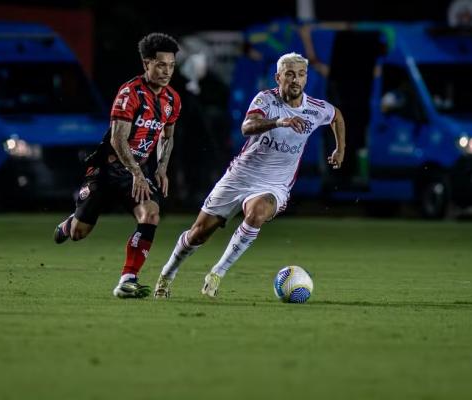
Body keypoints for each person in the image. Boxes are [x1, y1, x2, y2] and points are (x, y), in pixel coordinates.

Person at [153, 52, 345, 299]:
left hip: (275, 184)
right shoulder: (266, 100)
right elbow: (247, 127)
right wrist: (279, 121)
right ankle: (167, 275)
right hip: (240, 177)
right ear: (278, 77)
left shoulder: (315, 109)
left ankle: (217, 274)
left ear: (306, 78)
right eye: (289, 74)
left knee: (257, 213)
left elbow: (336, 116)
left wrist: (340, 148)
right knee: (198, 233)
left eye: (300, 74)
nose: (295, 80)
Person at [53, 33, 181, 299]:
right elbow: (118, 138)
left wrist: (160, 169)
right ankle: (70, 224)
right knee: (79, 233)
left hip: (139, 172)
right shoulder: (130, 93)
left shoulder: (172, 100)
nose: (166, 71)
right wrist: (136, 172)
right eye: (160, 65)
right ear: (146, 64)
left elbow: (168, 137)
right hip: (108, 170)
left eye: (171, 65)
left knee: (151, 215)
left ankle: (128, 279)